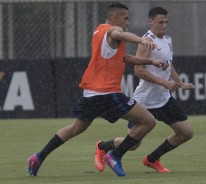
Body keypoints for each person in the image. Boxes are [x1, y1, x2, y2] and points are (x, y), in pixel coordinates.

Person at [27, 2, 167, 177]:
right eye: (125, 18)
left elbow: (124, 57)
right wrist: (142, 39)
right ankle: (115, 155)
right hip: (107, 94)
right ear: (115, 18)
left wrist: (150, 62)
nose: (127, 22)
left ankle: (38, 157)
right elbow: (118, 33)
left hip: (90, 93)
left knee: (75, 128)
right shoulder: (112, 31)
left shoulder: (99, 31)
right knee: (148, 121)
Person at [94, 6, 195, 174]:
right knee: (133, 144)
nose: (164, 25)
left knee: (186, 132)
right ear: (150, 22)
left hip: (163, 99)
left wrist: (181, 83)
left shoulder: (168, 40)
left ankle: (152, 159)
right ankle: (102, 146)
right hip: (145, 101)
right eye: (160, 22)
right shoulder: (147, 41)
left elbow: (169, 66)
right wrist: (163, 82)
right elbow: (138, 70)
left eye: (166, 22)